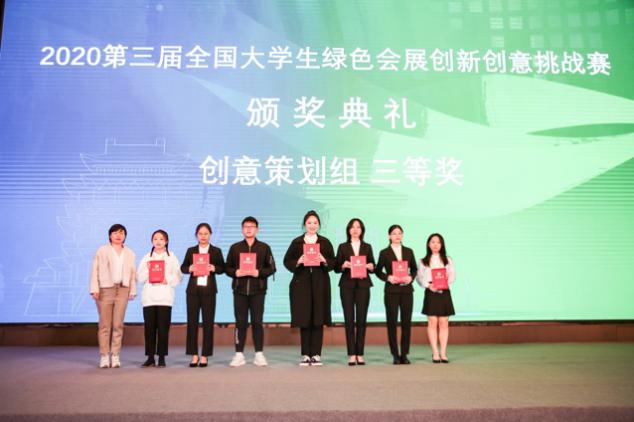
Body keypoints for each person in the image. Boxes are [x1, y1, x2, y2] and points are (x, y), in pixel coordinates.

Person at [283, 210, 336, 366]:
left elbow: (333, 263)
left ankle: (316, 354)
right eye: (309, 222)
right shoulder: (297, 242)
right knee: (304, 318)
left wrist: (324, 260)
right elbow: (287, 261)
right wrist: (298, 261)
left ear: (319, 225)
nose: (312, 225)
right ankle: (305, 354)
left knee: (318, 318)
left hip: (320, 284)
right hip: (302, 285)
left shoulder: (325, 242)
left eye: (315, 222)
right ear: (304, 225)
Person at [224, 216, 276, 367]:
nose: (248, 229)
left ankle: (259, 354)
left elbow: (272, 268)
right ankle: (239, 354)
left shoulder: (264, 247)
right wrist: (236, 272)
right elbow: (227, 267)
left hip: (258, 291)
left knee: (257, 322)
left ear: (257, 229)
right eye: (246, 226)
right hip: (239, 290)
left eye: (251, 226)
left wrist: (258, 273)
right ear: (242, 229)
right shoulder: (235, 248)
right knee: (240, 323)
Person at [89, 224, 137, 369]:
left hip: (123, 289)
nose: (118, 235)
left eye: (121, 233)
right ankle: (104, 355)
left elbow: (132, 272)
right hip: (105, 289)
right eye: (115, 233)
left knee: (118, 324)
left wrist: (132, 290)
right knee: (104, 324)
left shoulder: (130, 252)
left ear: (125, 236)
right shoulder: (102, 250)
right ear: (110, 235)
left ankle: (115, 355)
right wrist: (94, 288)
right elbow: (95, 270)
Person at [181, 223, 225, 367]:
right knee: (192, 323)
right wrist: (190, 268)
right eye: (200, 234)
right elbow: (183, 267)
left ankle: (205, 355)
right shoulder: (191, 250)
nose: (203, 236)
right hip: (193, 291)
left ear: (210, 234)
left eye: (206, 233)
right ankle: (194, 355)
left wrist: (214, 268)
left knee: (208, 323)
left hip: (209, 290)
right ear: (196, 235)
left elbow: (222, 268)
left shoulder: (216, 251)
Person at [137, 230, 182, 368]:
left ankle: (162, 357)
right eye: (155, 239)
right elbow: (139, 278)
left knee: (163, 329)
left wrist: (167, 279)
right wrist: (148, 269)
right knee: (149, 329)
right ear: (152, 241)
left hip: (165, 298)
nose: (158, 241)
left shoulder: (171, 257)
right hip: (149, 298)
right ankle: (150, 357)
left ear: (166, 241)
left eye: (161, 239)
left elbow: (179, 277)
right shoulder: (146, 257)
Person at [334, 218, 375, 366]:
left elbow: (373, 266)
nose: (355, 229)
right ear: (348, 230)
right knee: (349, 319)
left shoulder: (367, 247)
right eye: (352, 227)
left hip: (363, 286)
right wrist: (343, 265)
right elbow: (336, 268)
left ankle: (360, 353)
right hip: (347, 286)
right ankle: (352, 354)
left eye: (358, 227)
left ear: (362, 230)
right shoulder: (343, 247)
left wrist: (371, 266)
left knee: (362, 320)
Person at [375, 225, 417, 365]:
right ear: (389, 236)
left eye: (399, 233)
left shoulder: (409, 251)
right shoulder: (384, 252)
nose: (397, 236)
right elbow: (378, 271)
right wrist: (388, 277)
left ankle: (404, 354)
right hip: (391, 291)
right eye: (394, 233)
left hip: (407, 291)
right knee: (392, 323)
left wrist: (411, 277)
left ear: (402, 235)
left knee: (406, 323)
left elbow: (414, 269)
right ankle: (395, 354)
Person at [417, 233, 456, 364]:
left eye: (438, 242)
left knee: (444, 322)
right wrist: (429, 285)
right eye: (433, 242)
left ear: (442, 245)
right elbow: (419, 277)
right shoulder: (423, 261)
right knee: (432, 322)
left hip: (444, 292)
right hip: (431, 292)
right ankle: (435, 353)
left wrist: (444, 283)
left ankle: (443, 353)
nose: (435, 245)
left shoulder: (448, 260)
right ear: (428, 244)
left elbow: (453, 275)